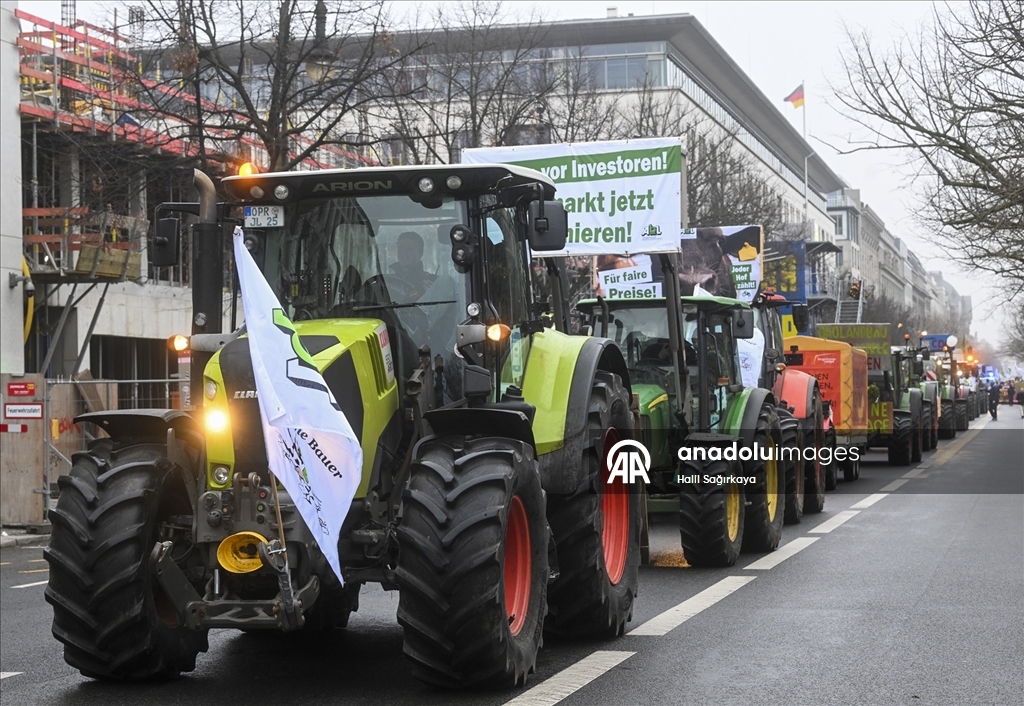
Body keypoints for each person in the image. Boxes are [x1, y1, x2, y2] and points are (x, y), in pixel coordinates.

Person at [389, 231, 436, 302]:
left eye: (410, 249)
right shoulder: (387, 281)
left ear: (420, 253)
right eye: (401, 248)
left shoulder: (430, 282)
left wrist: (431, 295)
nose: (404, 252)